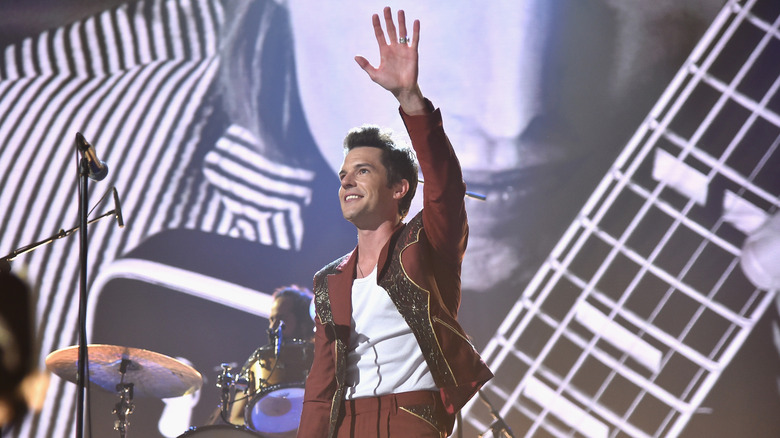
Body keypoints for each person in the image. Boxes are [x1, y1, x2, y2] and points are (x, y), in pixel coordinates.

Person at [298, 8, 493, 438]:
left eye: (363, 171)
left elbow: (444, 186)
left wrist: (410, 99)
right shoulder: (329, 279)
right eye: (343, 175)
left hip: (412, 419)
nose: (347, 180)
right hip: (345, 424)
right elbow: (320, 386)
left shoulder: (425, 244)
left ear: (400, 188)